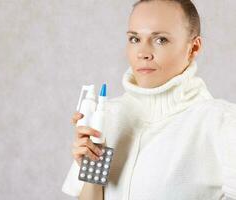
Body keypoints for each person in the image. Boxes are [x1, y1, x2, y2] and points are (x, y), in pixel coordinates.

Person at [62, 0, 236, 199]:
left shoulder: (224, 124)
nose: (143, 53)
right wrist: (92, 168)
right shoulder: (108, 117)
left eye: (160, 39)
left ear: (193, 48)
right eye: (135, 39)